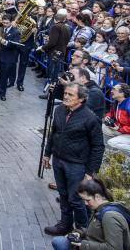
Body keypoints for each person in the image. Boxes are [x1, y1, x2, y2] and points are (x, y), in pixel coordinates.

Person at [43, 84, 105, 235]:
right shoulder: (59, 110)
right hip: (59, 160)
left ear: (81, 99)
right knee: (63, 195)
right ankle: (65, 224)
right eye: (65, 93)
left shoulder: (90, 118)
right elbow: (54, 133)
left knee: (76, 199)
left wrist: (90, 172)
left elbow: (98, 146)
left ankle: (82, 231)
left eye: (71, 95)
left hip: (77, 165)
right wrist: (47, 153)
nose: (66, 97)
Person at [50, 178, 130, 250]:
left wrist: (83, 245)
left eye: (87, 200)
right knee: (58, 241)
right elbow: (95, 230)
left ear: (97, 197)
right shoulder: (100, 208)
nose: (85, 203)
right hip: (90, 243)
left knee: (59, 242)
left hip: (89, 245)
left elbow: (114, 248)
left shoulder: (110, 217)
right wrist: (79, 233)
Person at [0, 14, 21, 101]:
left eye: (7, 23)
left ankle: (2, 94)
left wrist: (5, 42)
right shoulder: (0, 29)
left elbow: (16, 45)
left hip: (7, 58)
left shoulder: (15, 32)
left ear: (11, 22)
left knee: (3, 77)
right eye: (3, 22)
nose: (5, 24)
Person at [103, 83, 130, 156]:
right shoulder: (117, 103)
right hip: (122, 130)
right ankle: (110, 153)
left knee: (112, 142)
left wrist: (120, 129)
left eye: (114, 89)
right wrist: (107, 117)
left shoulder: (128, 105)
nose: (111, 91)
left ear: (122, 93)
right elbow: (111, 113)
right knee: (103, 127)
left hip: (126, 132)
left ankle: (124, 158)